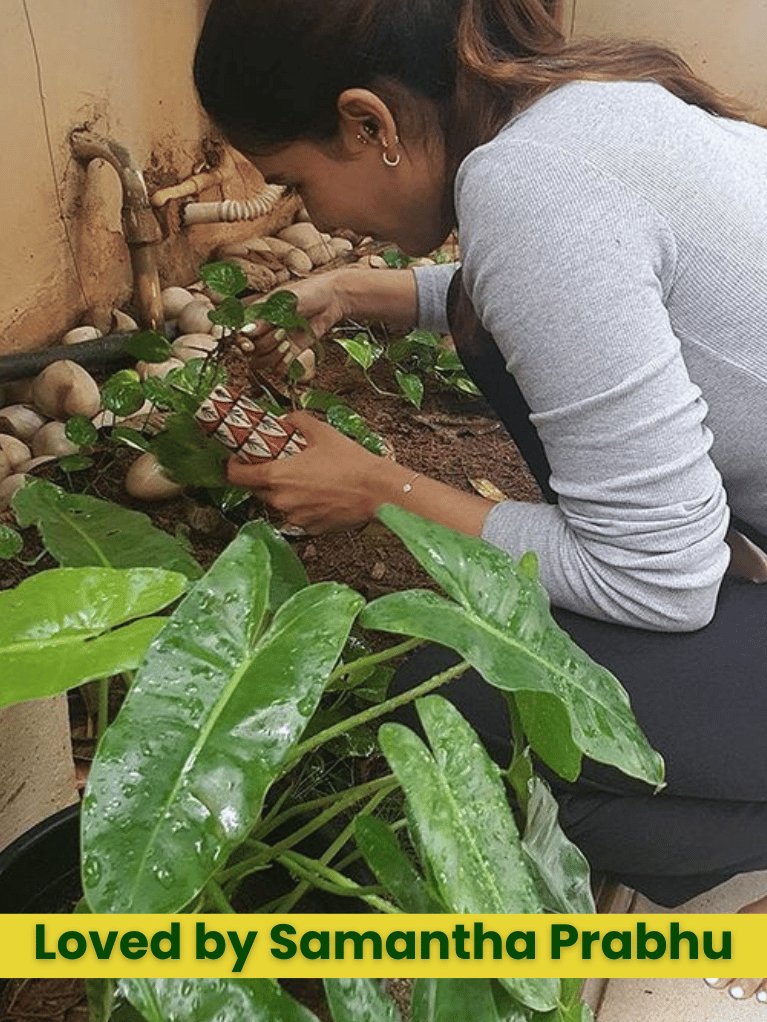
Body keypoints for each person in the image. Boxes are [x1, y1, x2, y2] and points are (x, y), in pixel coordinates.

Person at [194, 0, 767, 1001]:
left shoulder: (524, 182)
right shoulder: (583, 99)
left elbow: (656, 577)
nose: (312, 215)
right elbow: (615, 278)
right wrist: (388, 294)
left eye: (293, 180)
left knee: (452, 687)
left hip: (678, 565)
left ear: (368, 123)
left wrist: (378, 486)